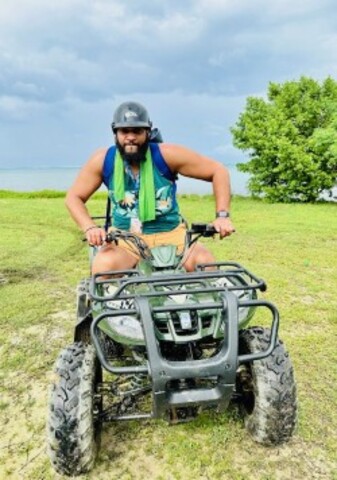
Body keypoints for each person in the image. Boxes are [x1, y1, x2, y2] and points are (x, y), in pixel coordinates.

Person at [65, 101, 235, 275]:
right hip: (126, 240)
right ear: (115, 133)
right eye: (124, 131)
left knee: (205, 263)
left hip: (173, 236)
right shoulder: (103, 160)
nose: (130, 137)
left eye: (137, 131)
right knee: (103, 266)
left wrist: (222, 216)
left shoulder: (167, 155)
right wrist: (90, 227)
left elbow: (218, 171)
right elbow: (74, 197)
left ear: (147, 132)